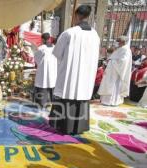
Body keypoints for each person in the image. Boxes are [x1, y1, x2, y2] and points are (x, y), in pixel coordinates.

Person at [49, 5, 100, 135]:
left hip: (70, 74)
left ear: (76, 15)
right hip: (86, 74)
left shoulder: (69, 33)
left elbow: (57, 53)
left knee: (68, 92)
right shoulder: (95, 35)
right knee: (81, 95)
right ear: (88, 16)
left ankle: (64, 125)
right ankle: (79, 126)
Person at [98, 36, 132, 106]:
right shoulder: (120, 49)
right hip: (112, 72)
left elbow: (123, 62)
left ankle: (113, 101)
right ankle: (106, 101)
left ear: (123, 42)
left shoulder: (126, 50)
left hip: (117, 73)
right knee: (109, 84)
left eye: (119, 41)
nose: (118, 43)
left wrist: (112, 61)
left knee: (114, 86)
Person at [33, 32, 57, 107]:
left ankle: (41, 103)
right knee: (52, 84)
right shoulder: (54, 47)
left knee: (43, 84)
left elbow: (36, 59)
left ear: (42, 39)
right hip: (53, 70)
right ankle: (53, 103)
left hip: (44, 71)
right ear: (49, 38)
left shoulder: (41, 48)